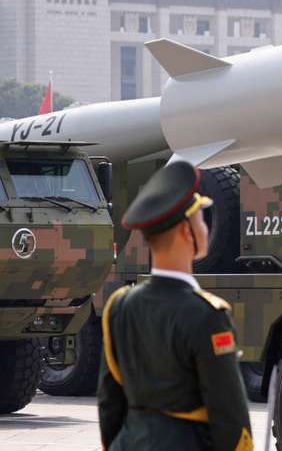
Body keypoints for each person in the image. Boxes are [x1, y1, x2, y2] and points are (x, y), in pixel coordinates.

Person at [97, 161, 253, 451]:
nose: (205, 227)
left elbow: (109, 404)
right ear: (185, 231)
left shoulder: (119, 306)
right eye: (200, 218)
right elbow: (229, 414)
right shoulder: (207, 315)